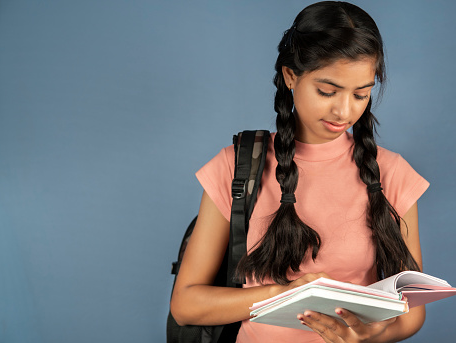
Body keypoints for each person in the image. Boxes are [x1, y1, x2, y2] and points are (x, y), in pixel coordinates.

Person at [170, 1, 429, 342]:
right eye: (327, 91)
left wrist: (369, 336)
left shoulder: (392, 173)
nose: (344, 110)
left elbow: (412, 311)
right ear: (291, 75)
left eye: (361, 94)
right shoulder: (238, 167)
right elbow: (187, 303)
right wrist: (286, 293)